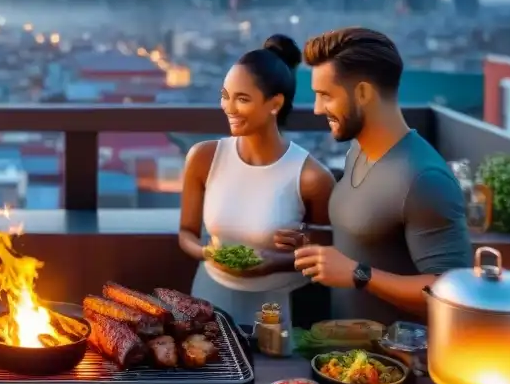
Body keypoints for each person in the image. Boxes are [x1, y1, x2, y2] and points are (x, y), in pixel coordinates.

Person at [277, 27, 472, 326]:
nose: (317, 109)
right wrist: (314, 245)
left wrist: (359, 274)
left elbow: (454, 295)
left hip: (395, 365)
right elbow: (371, 236)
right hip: (344, 356)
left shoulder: (423, 179)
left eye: (325, 96)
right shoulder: (358, 149)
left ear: (364, 93)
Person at [178, 35, 335, 327]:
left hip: (277, 308)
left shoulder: (312, 177)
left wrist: (276, 262)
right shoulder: (203, 158)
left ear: (274, 103)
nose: (229, 108)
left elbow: (327, 255)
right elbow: (186, 234)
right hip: (209, 298)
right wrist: (207, 253)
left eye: (242, 99)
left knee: (275, 372)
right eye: (225, 95)